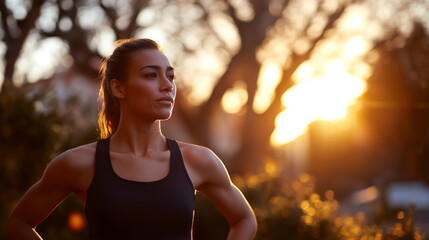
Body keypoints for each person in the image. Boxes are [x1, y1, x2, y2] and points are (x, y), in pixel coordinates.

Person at [5, 38, 257, 239]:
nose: (168, 85)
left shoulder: (199, 160)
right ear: (118, 88)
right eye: (151, 75)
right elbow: (18, 224)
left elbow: (244, 220)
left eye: (170, 76)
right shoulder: (79, 163)